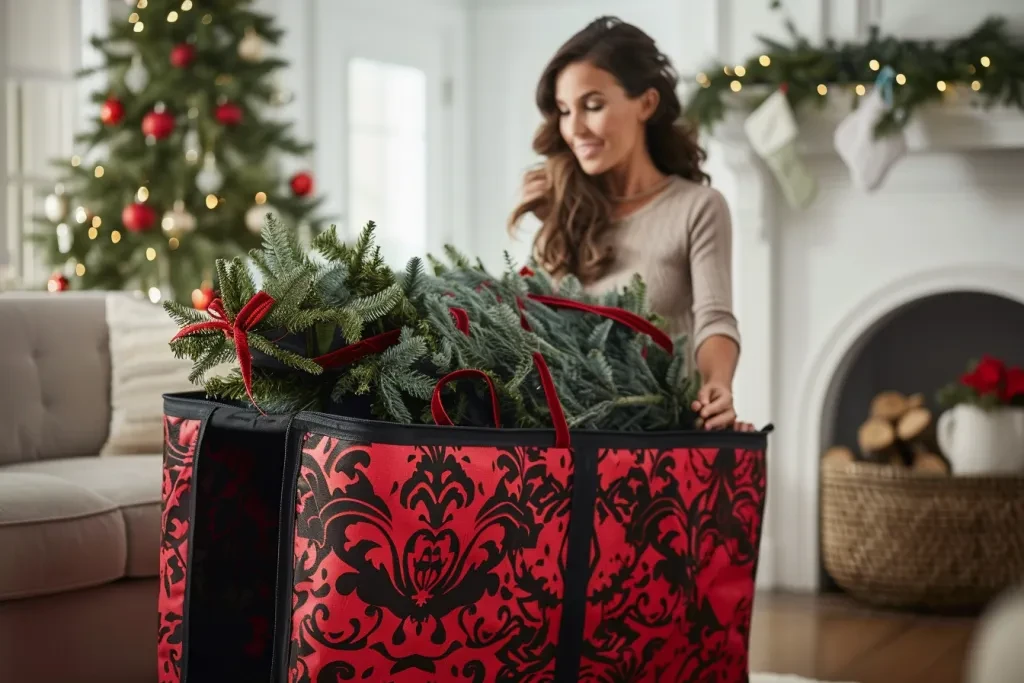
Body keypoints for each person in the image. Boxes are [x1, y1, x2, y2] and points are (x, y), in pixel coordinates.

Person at [509, 16, 753, 431]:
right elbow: (540, 333)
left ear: (647, 103)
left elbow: (715, 317)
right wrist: (548, 226)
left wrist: (718, 383)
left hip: (659, 440)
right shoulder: (563, 207)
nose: (574, 128)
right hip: (569, 445)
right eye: (565, 111)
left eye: (593, 105)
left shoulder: (698, 208)